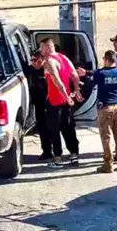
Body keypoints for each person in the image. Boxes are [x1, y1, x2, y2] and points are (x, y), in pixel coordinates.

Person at [81, 50, 117, 173]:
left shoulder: (100, 73)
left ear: (107, 59)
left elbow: (90, 85)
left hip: (105, 108)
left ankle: (108, 164)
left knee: (106, 137)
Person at [39, 37, 80, 167]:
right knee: (68, 128)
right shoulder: (64, 58)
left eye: (42, 47)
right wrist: (77, 91)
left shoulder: (49, 61)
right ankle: (74, 155)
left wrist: (66, 96)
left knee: (54, 130)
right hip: (66, 101)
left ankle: (57, 159)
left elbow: (58, 82)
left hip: (55, 101)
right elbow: (74, 75)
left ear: (48, 47)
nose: (40, 50)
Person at [26, 49, 52, 160]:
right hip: (38, 103)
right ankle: (46, 151)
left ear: (42, 59)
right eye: (32, 60)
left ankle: (57, 153)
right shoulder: (29, 70)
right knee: (42, 127)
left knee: (53, 128)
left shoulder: (49, 69)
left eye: (36, 60)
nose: (33, 62)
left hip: (51, 102)